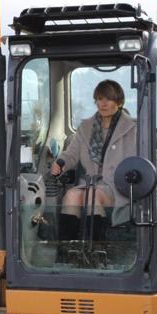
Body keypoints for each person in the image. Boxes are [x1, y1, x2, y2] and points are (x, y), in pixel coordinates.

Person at [49, 80, 136, 241]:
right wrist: (60, 163)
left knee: (92, 196)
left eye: (108, 99)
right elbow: (71, 155)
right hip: (90, 183)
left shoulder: (133, 129)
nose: (103, 104)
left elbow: (154, 157)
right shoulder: (85, 128)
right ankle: (66, 253)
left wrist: (136, 171)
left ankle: (96, 253)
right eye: (99, 99)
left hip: (118, 187)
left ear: (119, 102)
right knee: (71, 196)